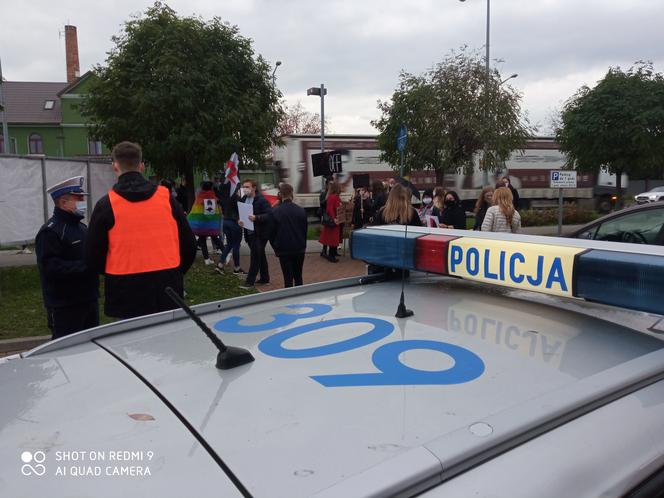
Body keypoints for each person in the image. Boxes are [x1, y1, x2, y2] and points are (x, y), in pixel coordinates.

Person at [86, 142, 196, 319]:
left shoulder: (106, 205)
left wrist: (115, 273)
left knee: (131, 344)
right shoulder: (166, 199)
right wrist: (174, 272)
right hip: (167, 288)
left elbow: (93, 255)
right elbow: (189, 244)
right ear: (142, 166)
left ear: (115, 166)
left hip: (125, 292)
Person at [36, 176, 99, 339]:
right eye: (79, 198)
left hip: (88, 300)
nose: (83, 202)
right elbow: (51, 268)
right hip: (65, 305)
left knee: (90, 349)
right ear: (63, 202)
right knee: (67, 352)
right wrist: (87, 267)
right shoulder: (51, 232)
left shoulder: (82, 227)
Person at [257, 183, 307, 288]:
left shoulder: (275, 212)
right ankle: (301, 298)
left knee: (287, 278)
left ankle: (289, 300)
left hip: (284, 249)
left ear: (280, 194)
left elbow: (271, 233)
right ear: (291, 194)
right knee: (298, 276)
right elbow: (304, 230)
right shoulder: (301, 210)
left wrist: (276, 247)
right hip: (299, 248)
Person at [239, 178, 272, 288]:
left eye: (247, 187)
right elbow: (242, 213)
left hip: (260, 233)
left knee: (255, 256)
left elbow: (269, 215)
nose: (245, 189)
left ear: (254, 188)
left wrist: (256, 217)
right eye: (244, 187)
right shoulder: (244, 199)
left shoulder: (261, 200)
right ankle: (265, 278)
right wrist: (240, 221)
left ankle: (250, 282)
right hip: (249, 233)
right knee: (260, 255)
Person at [188, 181, 222, 265]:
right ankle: (226, 253)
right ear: (211, 188)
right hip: (211, 225)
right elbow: (217, 210)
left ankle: (206, 259)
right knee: (215, 238)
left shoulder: (199, 197)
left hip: (201, 225)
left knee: (202, 240)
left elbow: (194, 211)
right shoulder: (214, 198)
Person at [217, 180, 245, 275]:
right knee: (236, 245)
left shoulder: (223, 197)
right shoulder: (235, 197)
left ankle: (220, 265)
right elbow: (241, 207)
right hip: (234, 222)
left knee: (229, 244)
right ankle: (237, 267)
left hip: (226, 221)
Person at [318, 181, 342, 263]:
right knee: (333, 239)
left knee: (332, 238)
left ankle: (331, 254)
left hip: (335, 220)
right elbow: (330, 209)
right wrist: (334, 218)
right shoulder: (334, 197)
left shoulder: (332, 196)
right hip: (335, 220)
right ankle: (331, 256)